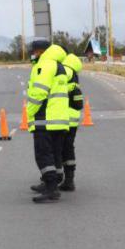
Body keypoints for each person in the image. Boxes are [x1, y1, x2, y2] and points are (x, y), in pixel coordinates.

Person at [26, 41, 70, 203]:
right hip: (59, 120)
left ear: (41, 52)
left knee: (43, 154)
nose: (33, 55)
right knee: (55, 154)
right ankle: (52, 184)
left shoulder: (44, 65)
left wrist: (28, 113)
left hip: (45, 119)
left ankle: (51, 188)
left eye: (34, 52)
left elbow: (38, 93)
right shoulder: (59, 66)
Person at [59, 53, 84, 192]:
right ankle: (69, 179)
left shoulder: (65, 70)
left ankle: (59, 178)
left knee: (59, 148)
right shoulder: (74, 74)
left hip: (62, 117)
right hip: (73, 118)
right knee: (68, 147)